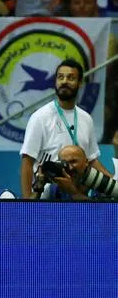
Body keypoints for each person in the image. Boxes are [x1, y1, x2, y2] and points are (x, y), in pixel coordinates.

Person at [20, 59, 113, 198]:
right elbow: (27, 162)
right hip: (50, 194)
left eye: (71, 78)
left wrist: (113, 182)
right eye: (60, 77)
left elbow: (92, 160)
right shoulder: (40, 117)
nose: (64, 81)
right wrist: (27, 201)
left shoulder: (86, 118)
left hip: (79, 192)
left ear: (80, 83)